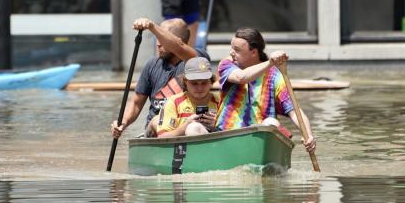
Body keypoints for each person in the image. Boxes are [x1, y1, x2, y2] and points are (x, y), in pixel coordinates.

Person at [214, 27, 317, 155]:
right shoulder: (227, 64)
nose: (231, 53)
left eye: (237, 50)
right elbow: (241, 77)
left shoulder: (275, 77)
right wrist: (271, 62)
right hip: (227, 135)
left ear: (253, 52)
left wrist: (308, 135)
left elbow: (295, 111)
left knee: (271, 123)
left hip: (258, 141)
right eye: (232, 48)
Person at [110, 17, 209, 139]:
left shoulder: (197, 60)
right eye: (157, 38)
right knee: (157, 119)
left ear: (178, 41)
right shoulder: (151, 65)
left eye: (162, 38)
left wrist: (152, 26)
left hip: (187, 126)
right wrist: (122, 123)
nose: (158, 43)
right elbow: (136, 103)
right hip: (156, 129)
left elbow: (179, 47)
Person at [156, 57, 221, 137]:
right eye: (194, 83)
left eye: (204, 83)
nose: (199, 88)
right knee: (193, 128)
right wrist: (185, 126)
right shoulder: (173, 102)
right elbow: (162, 137)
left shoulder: (221, 102)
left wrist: (217, 125)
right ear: (185, 81)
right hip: (183, 148)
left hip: (215, 147)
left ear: (211, 81)